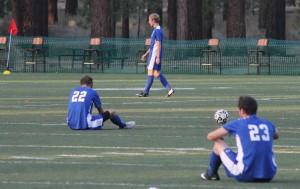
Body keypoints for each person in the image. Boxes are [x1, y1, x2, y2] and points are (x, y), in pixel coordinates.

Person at [201, 96, 279, 182]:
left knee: (218, 144)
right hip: (269, 175)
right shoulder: (267, 123)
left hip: (245, 174)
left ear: (242, 110)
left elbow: (210, 136)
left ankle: (212, 174)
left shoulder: (238, 123)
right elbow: (276, 135)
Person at [67, 75, 135, 130]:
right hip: (85, 124)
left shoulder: (73, 91)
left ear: (80, 83)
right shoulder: (92, 91)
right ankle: (123, 125)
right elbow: (100, 110)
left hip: (70, 123)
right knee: (112, 112)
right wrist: (102, 120)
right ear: (91, 84)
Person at [136, 13, 174, 97]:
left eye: (149, 20)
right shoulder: (156, 29)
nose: (148, 22)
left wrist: (157, 57)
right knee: (156, 72)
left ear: (153, 20)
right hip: (153, 55)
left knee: (150, 72)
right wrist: (146, 54)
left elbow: (159, 44)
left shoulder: (157, 30)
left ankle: (145, 92)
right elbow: (154, 45)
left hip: (154, 56)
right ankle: (169, 89)